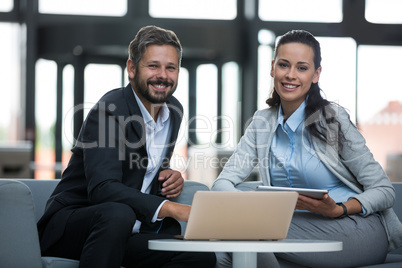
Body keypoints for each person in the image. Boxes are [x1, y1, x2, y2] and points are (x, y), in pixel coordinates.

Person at [211, 29, 402, 267]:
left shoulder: (333, 119)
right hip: (288, 228)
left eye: (302, 68)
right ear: (272, 68)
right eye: (284, 65)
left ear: (315, 74)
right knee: (225, 254)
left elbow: (384, 191)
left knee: (240, 234)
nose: (291, 75)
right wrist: (248, 203)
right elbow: (222, 183)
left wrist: (339, 209)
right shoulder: (261, 123)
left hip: (354, 227)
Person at [37, 25, 216, 268]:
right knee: (117, 214)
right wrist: (171, 208)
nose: (163, 75)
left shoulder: (174, 110)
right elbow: (102, 188)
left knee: (199, 255)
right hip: (75, 224)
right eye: (153, 66)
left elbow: (147, 167)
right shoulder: (108, 111)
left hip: (128, 228)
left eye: (171, 67)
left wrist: (169, 175)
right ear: (132, 69)